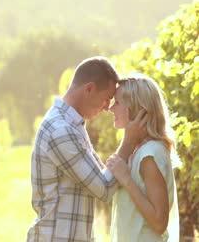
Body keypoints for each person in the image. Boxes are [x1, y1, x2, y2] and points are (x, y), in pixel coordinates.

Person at [27, 56, 146, 242]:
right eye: (107, 98)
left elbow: (101, 175)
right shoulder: (61, 131)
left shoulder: (73, 125)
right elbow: (104, 188)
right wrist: (129, 141)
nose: (108, 107)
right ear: (89, 89)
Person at [107, 74, 180, 242]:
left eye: (117, 102)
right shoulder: (138, 151)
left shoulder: (150, 154)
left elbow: (160, 222)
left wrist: (126, 179)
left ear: (136, 108)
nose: (111, 108)